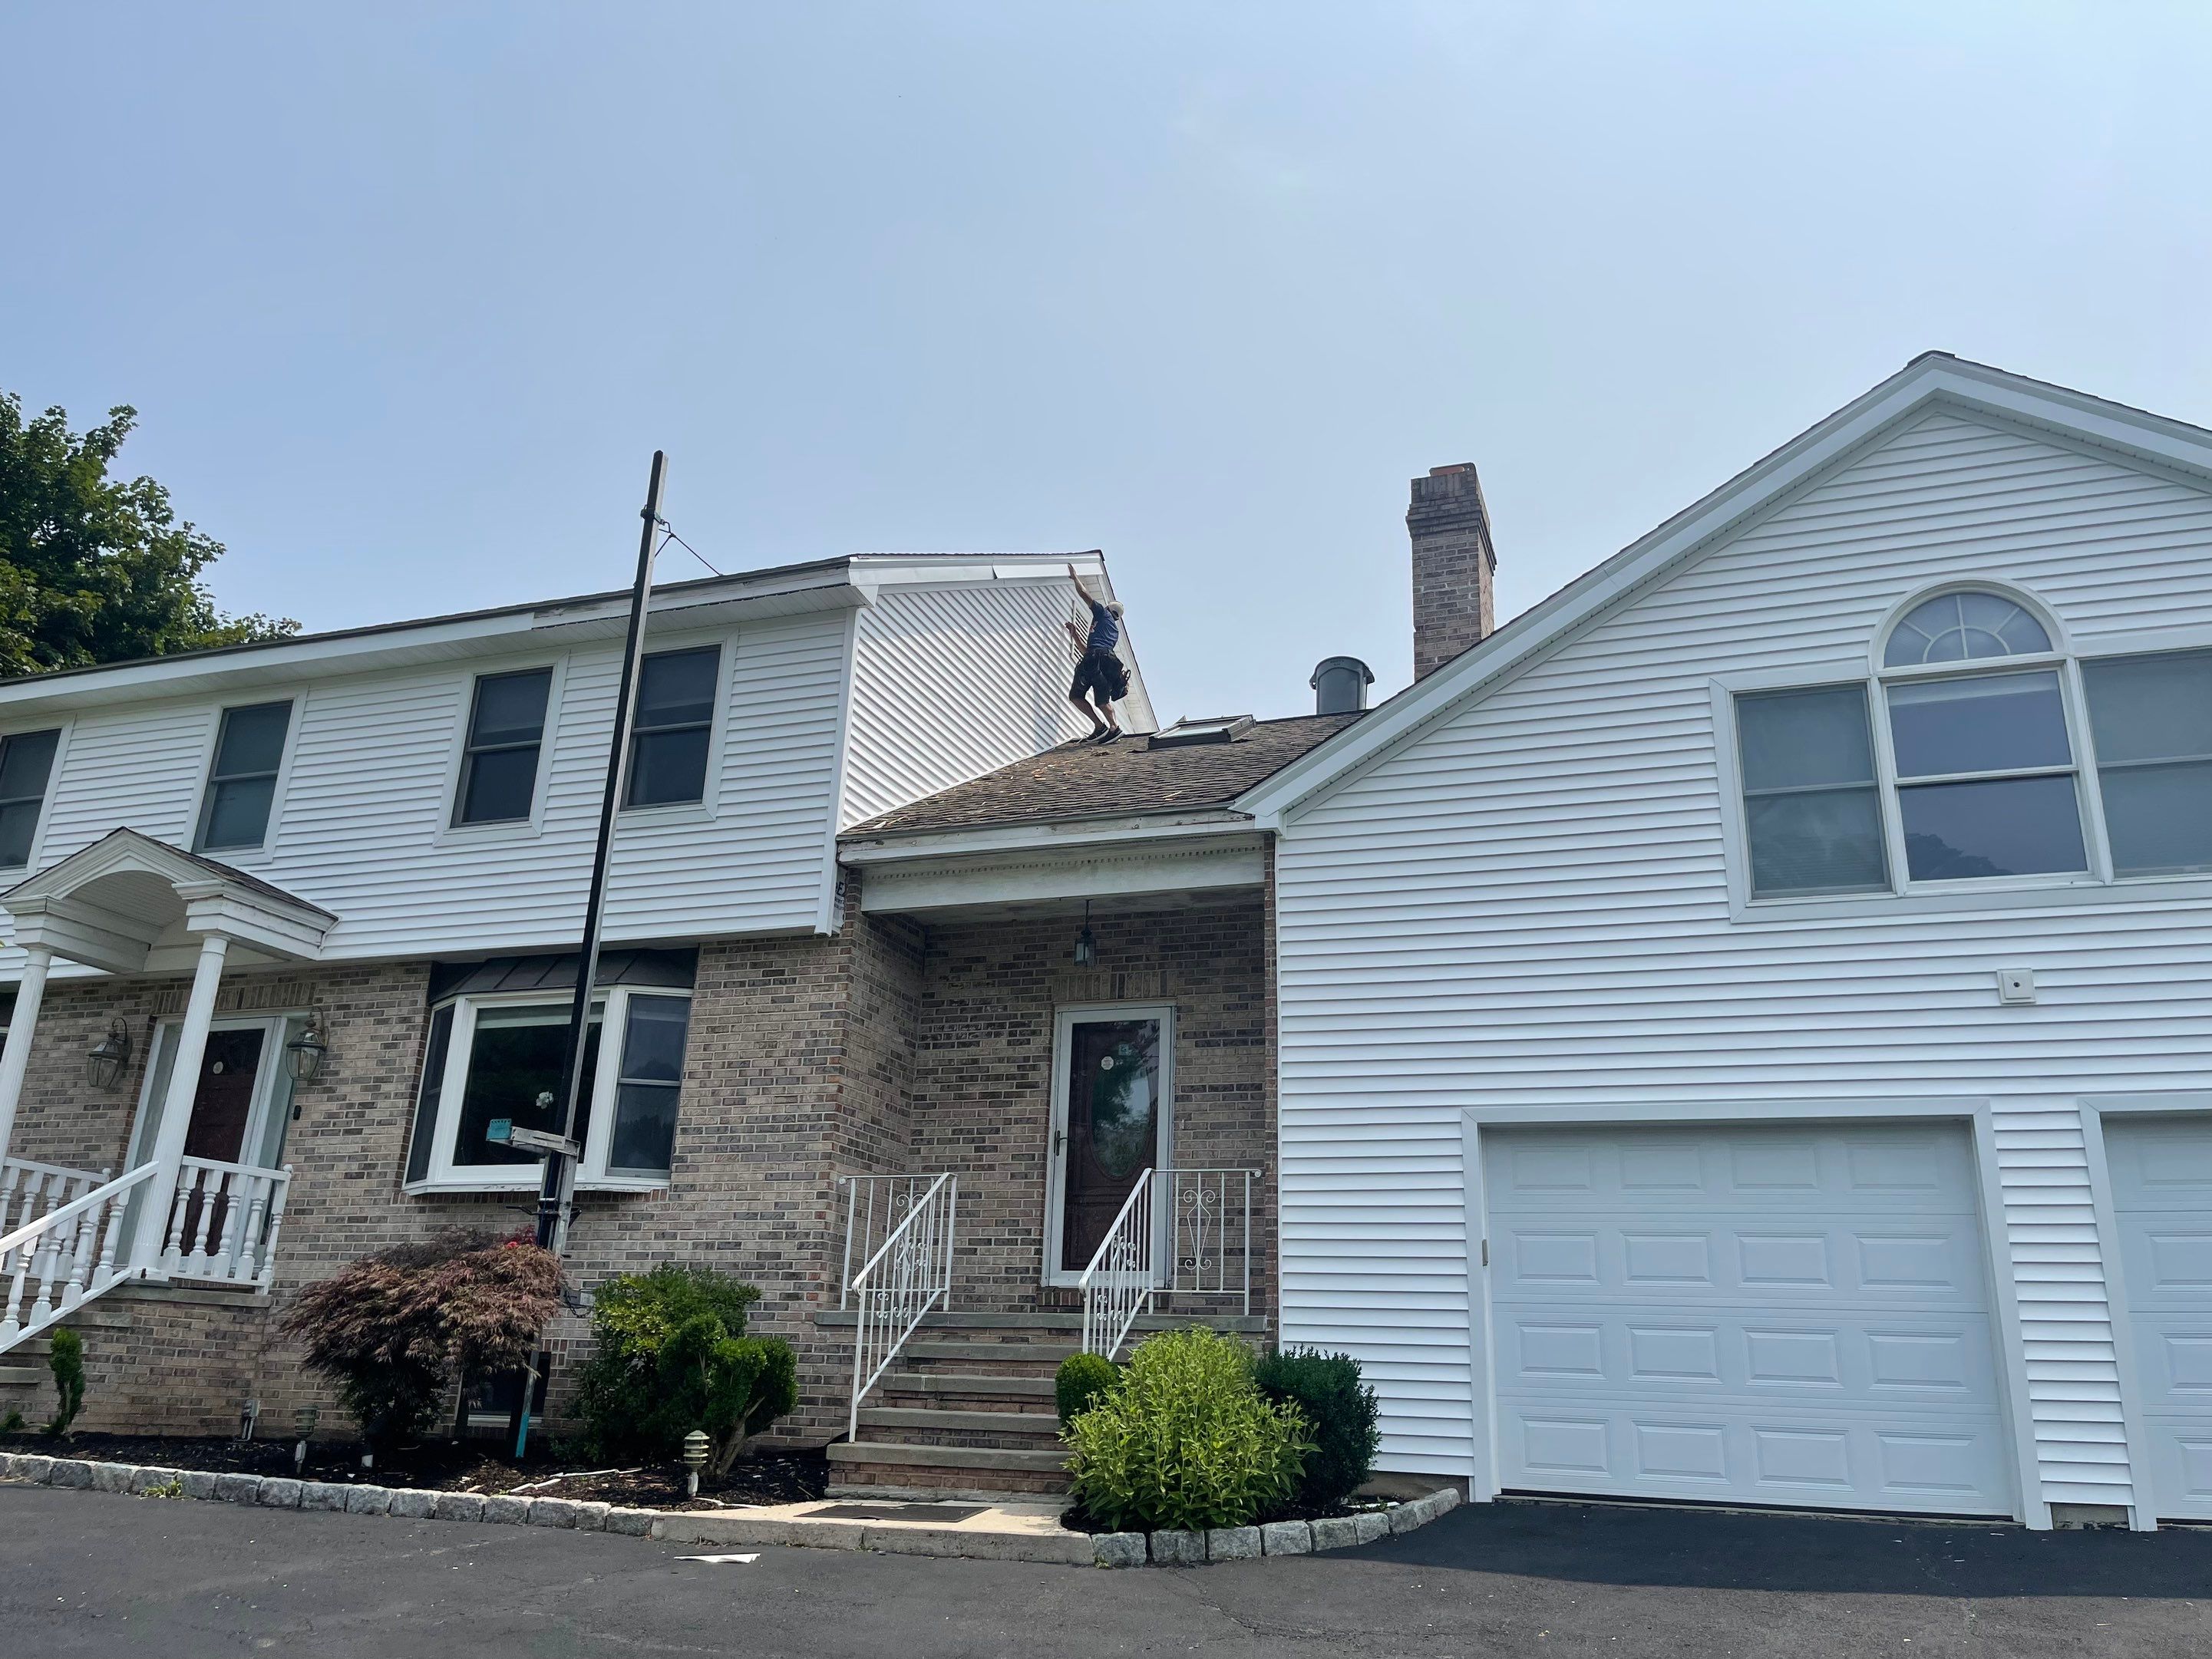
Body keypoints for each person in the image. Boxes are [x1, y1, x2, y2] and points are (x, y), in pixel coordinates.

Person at [1065, 562, 1129, 742]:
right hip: (1105, 661)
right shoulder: (1112, 631)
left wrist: (1075, 578)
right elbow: (1088, 652)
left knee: (1076, 696)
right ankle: (1111, 728)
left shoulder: (1103, 615)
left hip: (1096, 659)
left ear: (1109, 609)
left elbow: (1085, 595)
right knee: (1102, 700)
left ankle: (1102, 727)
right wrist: (1075, 634)